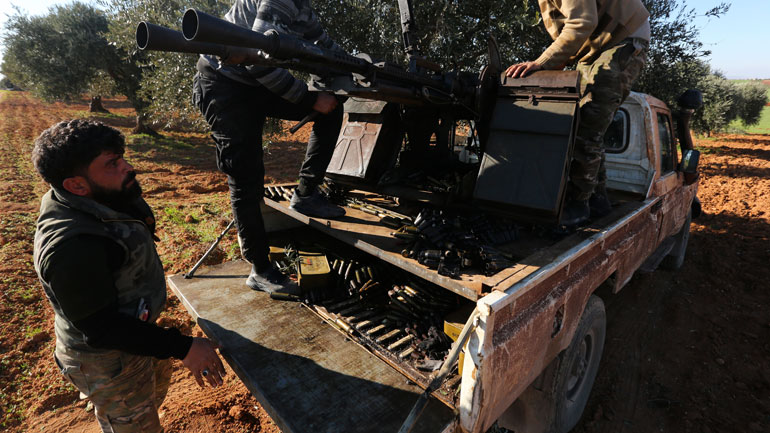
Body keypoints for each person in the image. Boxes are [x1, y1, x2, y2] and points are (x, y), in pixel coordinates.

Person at [32, 119, 226, 433]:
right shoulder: (73, 248)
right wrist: (184, 347)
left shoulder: (100, 196)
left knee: (146, 408)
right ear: (76, 186)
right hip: (107, 359)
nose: (128, 167)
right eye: (112, 163)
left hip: (133, 336)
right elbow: (102, 329)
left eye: (121, 157)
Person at [193, 0, 347, 293]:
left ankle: (306, 194)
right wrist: (310, 98)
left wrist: (356, 66)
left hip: (256, 82)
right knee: (246, 176)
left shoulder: (303, 8)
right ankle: (260, 269)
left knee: (332, 108)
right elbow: (257, 58)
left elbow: (324, 45)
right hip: (224, 84)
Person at [505, 0, 650, 226]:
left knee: (587, 123)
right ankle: (597, 199)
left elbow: (582, 21)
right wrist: (557, 60)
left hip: (621, 40)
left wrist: (542, 62)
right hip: (598, 44)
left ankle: (578, 203)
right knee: (586, 123)